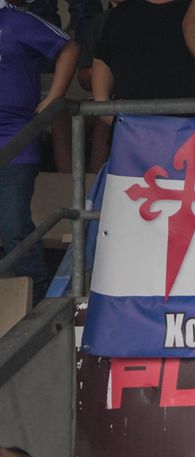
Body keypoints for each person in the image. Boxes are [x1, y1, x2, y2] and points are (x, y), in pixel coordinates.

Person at [0, 3, 74, 302]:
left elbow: (68, 48)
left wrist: (54, 97)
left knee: (14, 225)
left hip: (15, 136)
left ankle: (36, 299)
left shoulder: (17, 20)